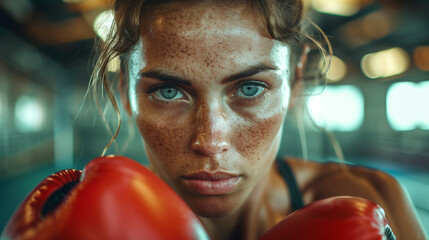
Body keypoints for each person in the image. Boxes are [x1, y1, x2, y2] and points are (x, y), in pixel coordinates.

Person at [89, 0, 427, 239]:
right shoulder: (93, 227)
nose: (210, 141)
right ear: (124, 92)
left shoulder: (375, 200)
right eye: (167, 91)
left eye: (250, 88)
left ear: (295, 82)